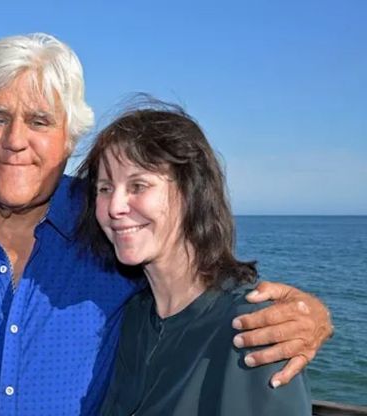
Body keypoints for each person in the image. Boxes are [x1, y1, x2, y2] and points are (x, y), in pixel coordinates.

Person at [0, 33, 331, 415]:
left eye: (40, 121)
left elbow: (197, 292)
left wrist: (311, 316)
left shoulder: (112, 229)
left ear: (70, 138)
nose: (15, 140)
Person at [76, 100, 312, 415]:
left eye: (138, 185)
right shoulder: (135, 318)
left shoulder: (252, 327)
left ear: (191, 192)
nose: (115, 206)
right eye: (105, 188)